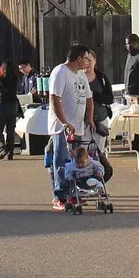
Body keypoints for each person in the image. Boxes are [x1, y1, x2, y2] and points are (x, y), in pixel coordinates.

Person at [46, 44, 94, 211]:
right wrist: (64, 122)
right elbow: (54, 98)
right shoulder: (60, 72)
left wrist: (89, 118)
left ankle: (74, 193)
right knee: (62, 161)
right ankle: (60, 196)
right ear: (78, 58)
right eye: (86, 59)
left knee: (77, 161)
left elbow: (89, 97)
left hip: (79, 125)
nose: (88, 62)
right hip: (62, 127)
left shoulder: (81, 75)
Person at [0, 59, 34, 160]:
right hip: (13, 105)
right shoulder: (16, 79)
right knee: (10, 129)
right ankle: (10, 152)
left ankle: (2, 148)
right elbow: (20, 89)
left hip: (2, 105)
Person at [84, 51, 114, 137]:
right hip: (83, 122)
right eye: (85, 60)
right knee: (82, 149)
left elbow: (110, 99)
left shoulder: (101, 78)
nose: (87, 63)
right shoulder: (77, 77)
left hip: (100, 120)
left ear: (95, 61)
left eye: (89, 60)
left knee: (99, 149)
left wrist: (93, 95)